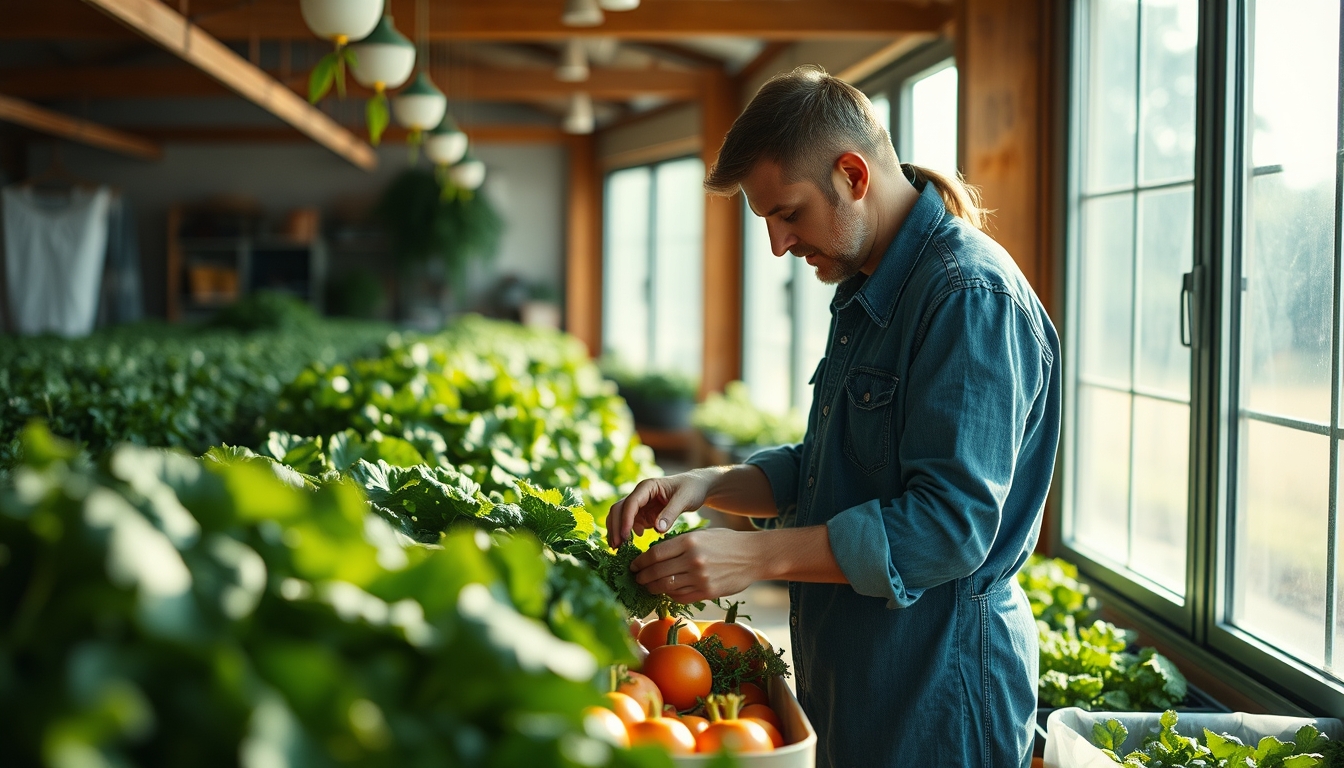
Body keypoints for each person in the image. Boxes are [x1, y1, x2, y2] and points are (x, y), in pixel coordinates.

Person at [605, 65, 1060, 768]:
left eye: (788, 213)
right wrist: (710, 484)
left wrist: (754, 557)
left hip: (937, 694)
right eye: (767, 222)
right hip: (853, 674)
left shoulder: (967, 295)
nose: (779, 245)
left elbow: (949, 526)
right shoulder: (867, 285)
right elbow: (837, 463)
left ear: (852, 174)